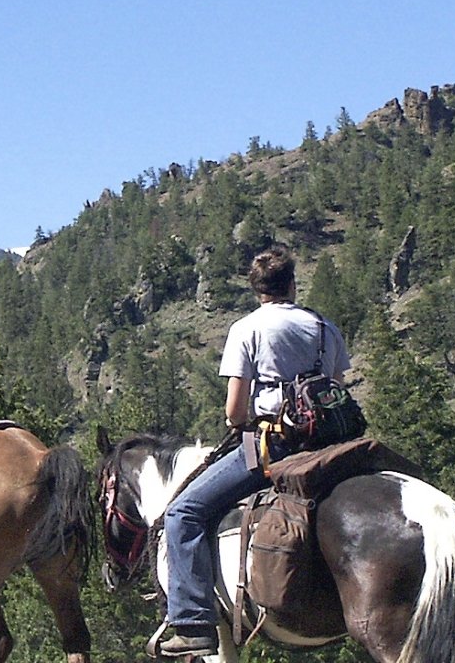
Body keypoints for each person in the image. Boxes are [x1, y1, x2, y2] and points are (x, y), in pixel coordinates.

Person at [151, 246, 351, 658]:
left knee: (183, 513)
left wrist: (237, 422)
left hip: (271, 446)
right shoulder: (325, 327)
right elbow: (334, 389)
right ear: (293, 283)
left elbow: (235, 410)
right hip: (329, 447)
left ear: (257, 289)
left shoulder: (248, 329)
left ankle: (192, 622)